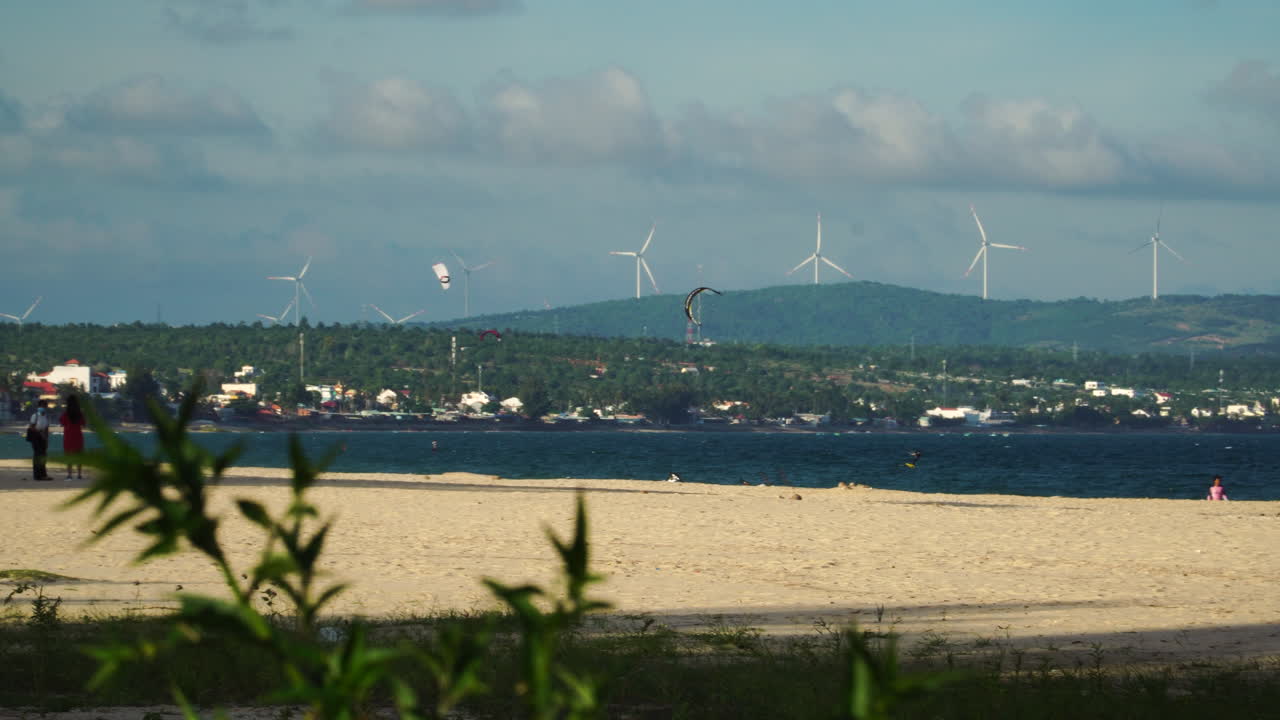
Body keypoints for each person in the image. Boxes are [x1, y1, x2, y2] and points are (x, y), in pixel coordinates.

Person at [59, 395, 86, 480]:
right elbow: (83, 424)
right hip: (78, 435)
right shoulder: (80, 413)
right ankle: (79, 474)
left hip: (68, 435)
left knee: (68, 455)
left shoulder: (66, 413)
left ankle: (69, 475)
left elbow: (62, 422)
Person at [27, 400, 52, 481]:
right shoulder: (35, 416)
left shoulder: (46, 417)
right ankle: (37, 475)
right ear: (39, 407)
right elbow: (31, 426)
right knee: (37, 455)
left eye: (45, 406)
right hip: (36, 437)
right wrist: (39, 432)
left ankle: (43, 474)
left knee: (43, 456)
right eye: (42, 406)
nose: (43, 408)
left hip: (43, 438)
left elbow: (47, 428)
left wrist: (47, 439)